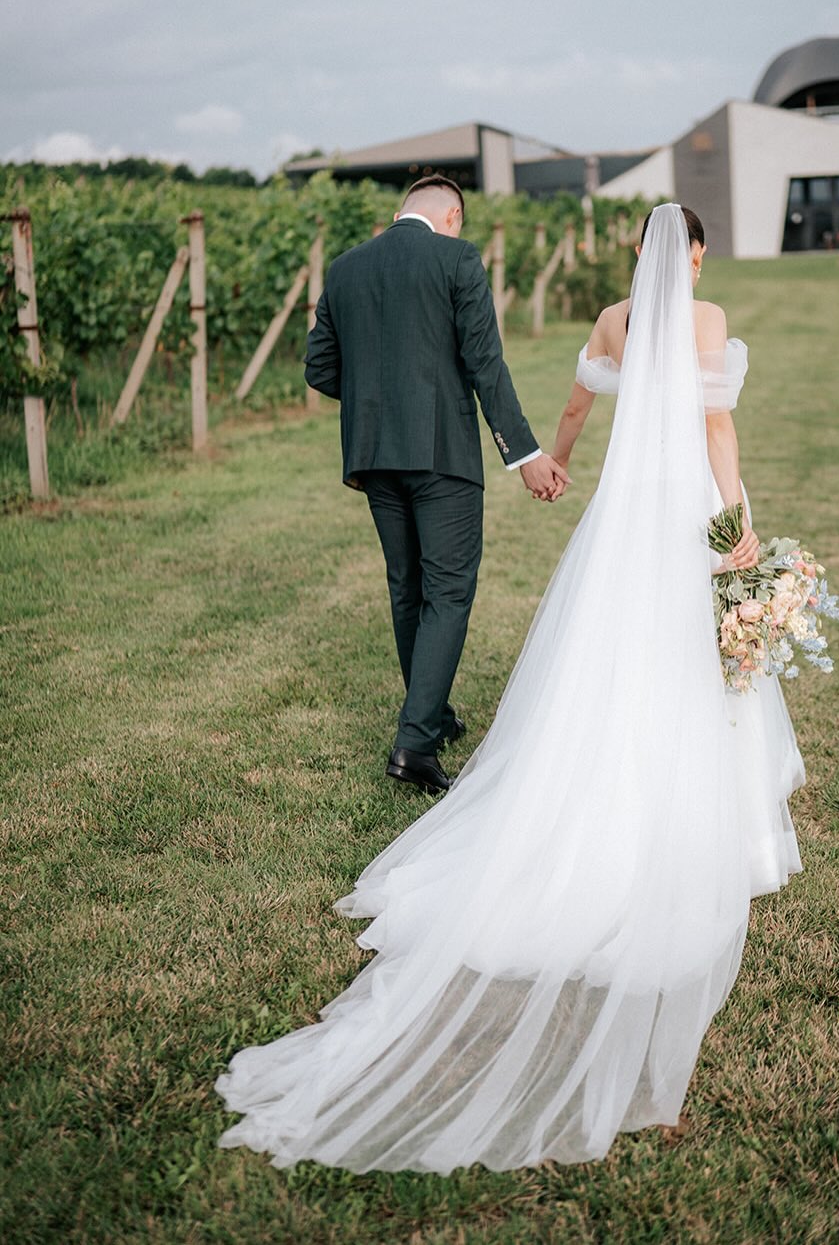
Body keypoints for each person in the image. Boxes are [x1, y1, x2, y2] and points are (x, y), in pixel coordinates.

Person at [217, 203, 806, 1174]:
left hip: (621, 511)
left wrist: (563, 458)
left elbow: (576, 402)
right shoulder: (703, 321)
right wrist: (738, 515)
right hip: (683, 506)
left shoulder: (617, 321)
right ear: (693, 254)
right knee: (700, 654)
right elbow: (715, 428)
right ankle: (714, 820)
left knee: (605, 647)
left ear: (637, 254)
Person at [303, 174, 570, 796]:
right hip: (441, 454)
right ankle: (415, 745)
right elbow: (484, 362)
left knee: (408, 586)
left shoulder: (345, 268)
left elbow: (319, 366)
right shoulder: (458, 257)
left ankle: (433, 714)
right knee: (447, 591)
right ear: (451, 216)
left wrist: (377, 399)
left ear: (405, 212)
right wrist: (524, 453)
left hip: (372, 454)